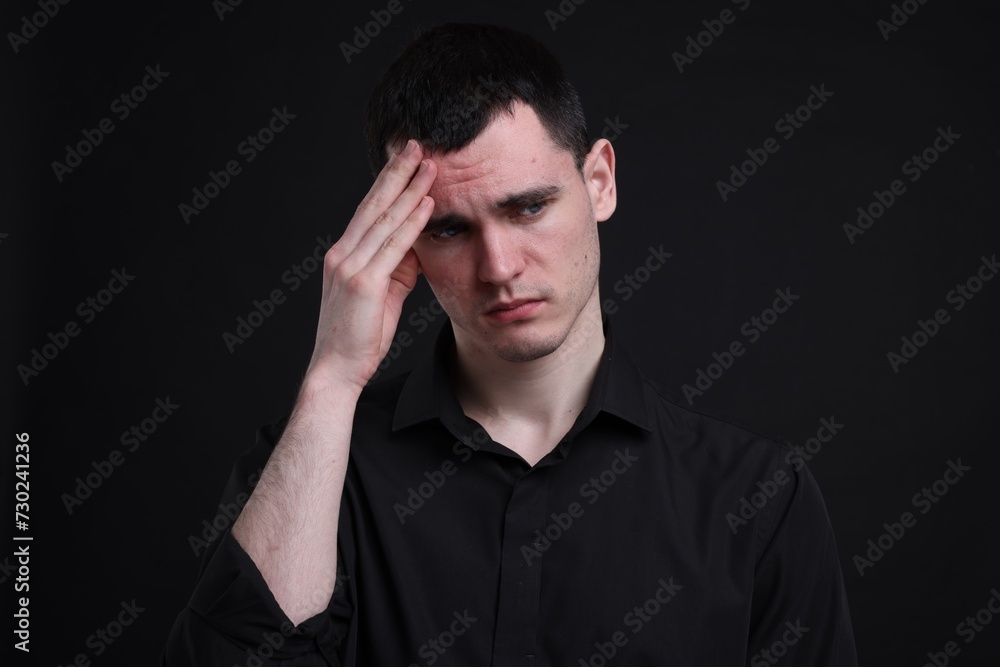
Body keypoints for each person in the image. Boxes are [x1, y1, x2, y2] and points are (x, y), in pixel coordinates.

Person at [161, 23, 858, 666]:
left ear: (599, 182)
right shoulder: (315, 466)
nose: (498, 268)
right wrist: (332, 378)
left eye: (528, 207)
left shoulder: (759, 497)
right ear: (400, 239)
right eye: (448, 229)